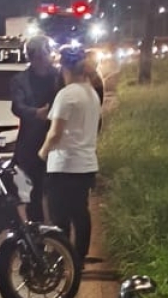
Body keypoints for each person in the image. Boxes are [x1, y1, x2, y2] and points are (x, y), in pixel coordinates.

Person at [37, 45, 102, 272]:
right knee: (80, 213)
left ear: (64, 69)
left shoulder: (66, 95)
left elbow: (55, 133)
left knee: (59, 218)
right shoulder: (92, 94)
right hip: (86, 164)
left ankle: (60, 259)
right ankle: (79, 259)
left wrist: (42, 153)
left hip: (64, 165)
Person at [10, 34, 62, 223]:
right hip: (31, 146)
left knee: (57, 193)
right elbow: (17, 106)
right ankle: (37, 233)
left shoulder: (60, 76)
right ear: (31, 57)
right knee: (34, 192)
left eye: (44, 54)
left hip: (57, 142)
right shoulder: (19, 80)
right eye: (36, 55)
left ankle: (59, 233)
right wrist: (36, 113)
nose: (41, 59)